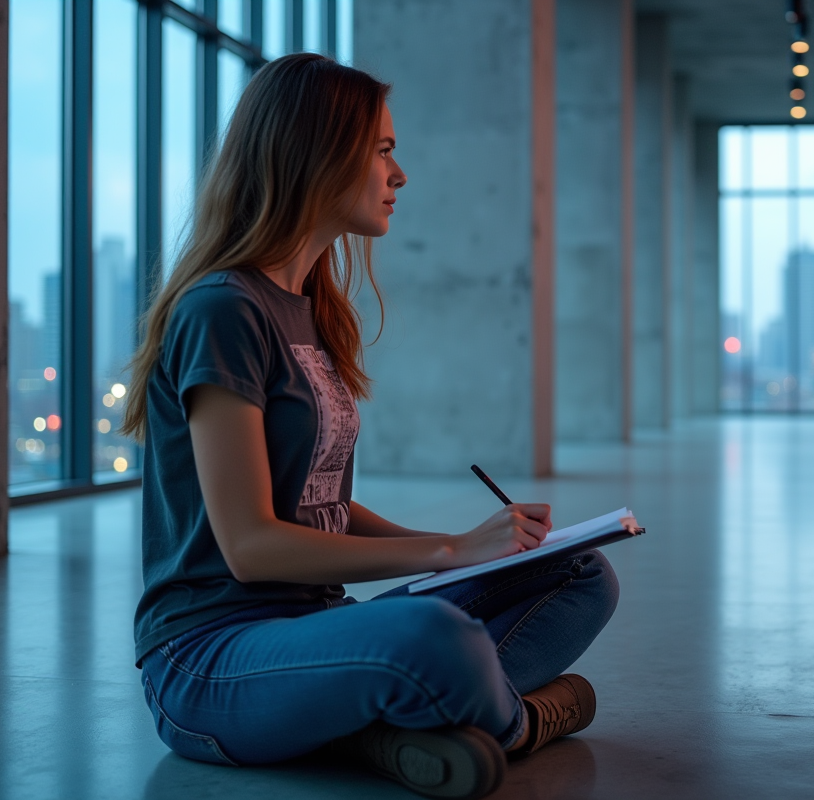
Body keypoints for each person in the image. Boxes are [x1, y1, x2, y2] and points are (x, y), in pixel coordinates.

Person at [121, 53, 619, 800]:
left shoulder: (308, 309)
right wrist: (447, 549)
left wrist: (475, 555)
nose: (401, 174)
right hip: (209, 662)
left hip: (318, 629)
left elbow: (318, 501)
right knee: (436, 640)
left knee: (581, 570)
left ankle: (397, 721)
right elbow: (253, 546)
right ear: (315, 154)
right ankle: (517, 723)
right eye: (383, 151)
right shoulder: (222, 310)